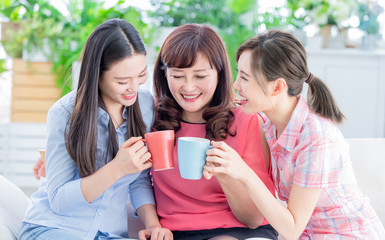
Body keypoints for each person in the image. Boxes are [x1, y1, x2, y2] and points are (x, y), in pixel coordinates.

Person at [204, 30, 385, 239]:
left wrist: (243, 173)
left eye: (244, 78)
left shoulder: (316, 137)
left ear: (278, 87)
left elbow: (291, 229)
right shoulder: (270, 125)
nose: (236, 86)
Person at [19, 19, 172, 240]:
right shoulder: (63, 113)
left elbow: (138, 178)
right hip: (53, 228)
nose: (134, 88)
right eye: (122, 81)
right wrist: (116, 168)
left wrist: (153, 225)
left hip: (108, 234)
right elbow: (59, 200)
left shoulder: (147, 107)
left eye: (141, 75)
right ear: (97, 75)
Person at [151, 24, 278, 240]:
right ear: (164, 75)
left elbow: (254, 218)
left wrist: (225, 175)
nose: (188, 87)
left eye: (200, 76)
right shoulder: (151, 116)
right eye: (178, 76)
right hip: (174, 233)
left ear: (219, 73)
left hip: (237, 230)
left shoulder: (246, 121)